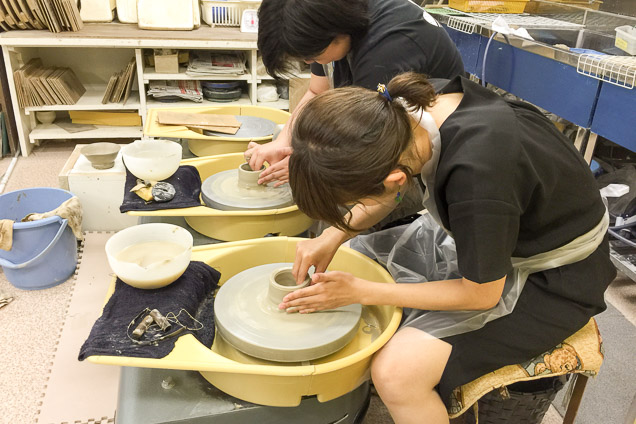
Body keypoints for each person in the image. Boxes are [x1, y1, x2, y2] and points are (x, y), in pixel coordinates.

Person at [280, 72, 616, 424]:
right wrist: (331, 237)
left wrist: (363, 291)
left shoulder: (478, 173)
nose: (355, 210)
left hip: (557, 277)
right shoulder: (406, 106)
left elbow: (481, 294)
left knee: (397, 374)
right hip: (506, 227)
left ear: (394, 178)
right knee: (359, 256)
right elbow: (392, 191)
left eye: (356, 201)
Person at [246, 0, 465, 187]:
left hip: (432, 157)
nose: (309, 61)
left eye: (311, 56)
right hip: (380, 126)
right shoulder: (329, 19)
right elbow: (316, 90)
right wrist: (283, 141)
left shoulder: (387, 49)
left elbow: (369, 145)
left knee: (335, 190)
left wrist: (304, 165)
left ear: (336, 33)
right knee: (289, 140)